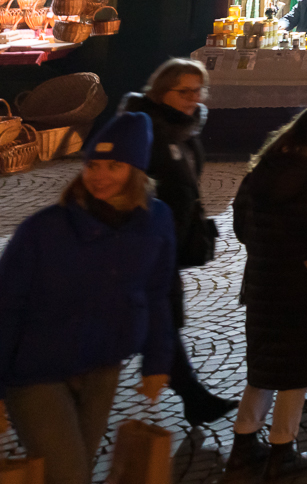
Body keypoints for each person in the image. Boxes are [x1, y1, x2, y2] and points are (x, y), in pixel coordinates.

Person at [0, 114, 175, 484]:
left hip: (102, 366)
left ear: (138, 169)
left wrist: (157, 360)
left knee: (76, 466)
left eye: (115, 165)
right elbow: (5, 308)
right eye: (93, 164)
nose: (99, 176)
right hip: (34, 372)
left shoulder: (157, 220)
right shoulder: (43, 230)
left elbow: (159, 292)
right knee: (69, 476)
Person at [229, 105, 307, 477]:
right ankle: (282, 448)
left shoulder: (258, 175)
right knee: (298, 371)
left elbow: (242, 227)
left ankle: (243, 442)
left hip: (263, 284)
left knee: (265, 366)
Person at [119, 57, 234, 425]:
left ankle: (192, 395)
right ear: (160, 90)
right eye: (184, 91)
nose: (193, 98)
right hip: (144, 241)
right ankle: (192, 395)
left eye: (198, 91)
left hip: (170, 239)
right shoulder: (144, 128)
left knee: (164, 315)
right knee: (160, 316)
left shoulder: (182, 128)